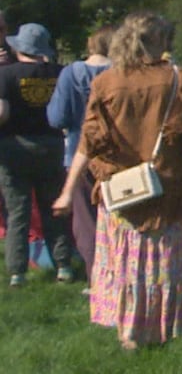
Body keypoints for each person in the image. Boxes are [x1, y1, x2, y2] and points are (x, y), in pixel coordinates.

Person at [52, 11, 182, 349]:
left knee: (127, 268)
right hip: (172, 190)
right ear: (156, 40)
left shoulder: (106, 82)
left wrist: (66, 192)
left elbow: (87, 143)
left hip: (123, 194)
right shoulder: (178, 79)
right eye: (165, 37)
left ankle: (130, 334)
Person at [0, 22, 75, 287]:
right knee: (54, 207)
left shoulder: (6, 75)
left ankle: (17, 272)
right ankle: (64, 265)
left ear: (18, 46)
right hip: (52, 145)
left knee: (17, 211)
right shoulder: (60, 72)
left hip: (14, 147)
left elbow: (2, 113)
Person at [46, 23, 115, 276]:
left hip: (78, 152)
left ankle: (95, 276)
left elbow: (56, 118)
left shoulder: (70, 73)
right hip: (117, 155)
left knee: (85, 221)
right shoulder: (121, 73)